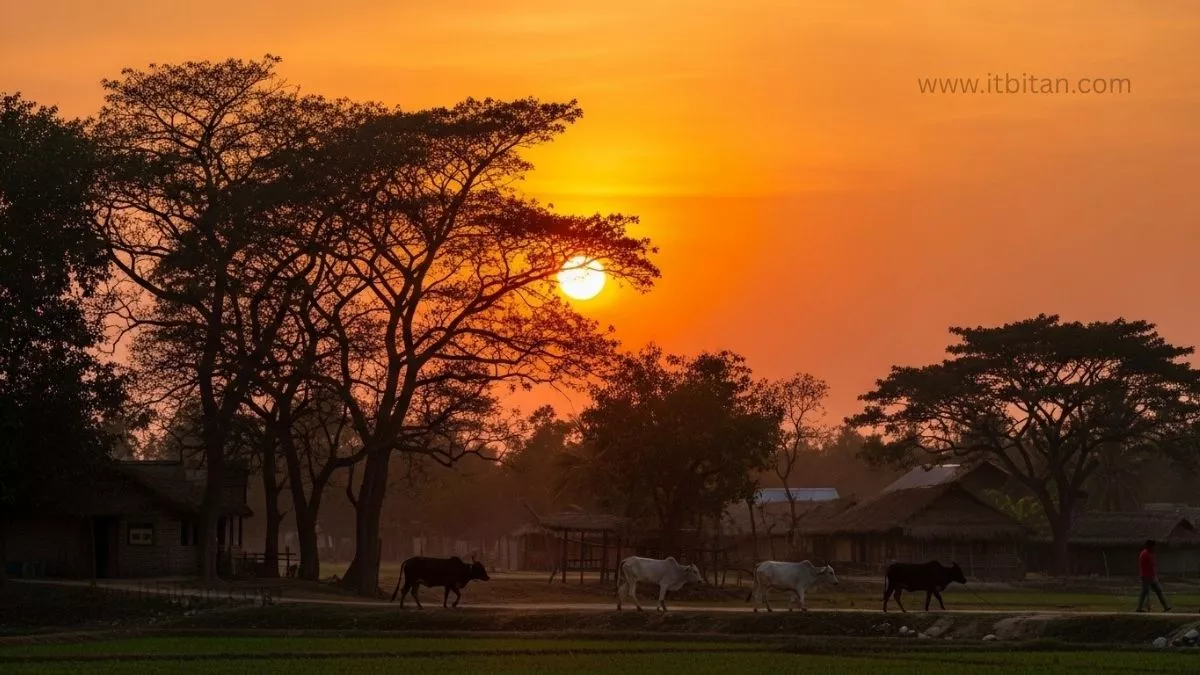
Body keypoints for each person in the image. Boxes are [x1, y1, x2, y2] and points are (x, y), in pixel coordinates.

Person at [1136, 539, 1172, 612]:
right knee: (1144, 592)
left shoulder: (1149, 554)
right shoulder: (1145, 554)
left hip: (1151, 577)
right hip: (1146, 577)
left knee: (1158, 591)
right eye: (1152, 547)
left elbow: (1152, 567)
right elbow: (1148, 567)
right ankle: (1139, 608)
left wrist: (1154, 576)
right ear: (1149, 546)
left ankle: (1166, 607)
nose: (1154, 548)